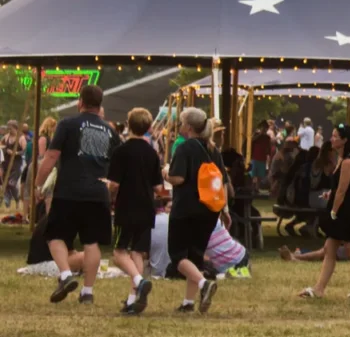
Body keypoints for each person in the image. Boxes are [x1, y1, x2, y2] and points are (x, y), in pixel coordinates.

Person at [34, 85, 122, 305]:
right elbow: (116, 166)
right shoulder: (110, 131)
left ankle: (65, 275)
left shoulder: (67, 124)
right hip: (97, 192)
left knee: (54, 235)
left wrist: (38, 185)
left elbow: (52, 156)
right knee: (91, 242)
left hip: (69, 191)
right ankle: (88, 292)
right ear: (100, 105)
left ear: (80, 102)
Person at [163, 108, 226, 313]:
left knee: (178, 256)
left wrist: (165, 173)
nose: (180, 127)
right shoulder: (213, 149)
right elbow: (222, 180)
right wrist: (224, 209)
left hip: (186, 208)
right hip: (209, 209)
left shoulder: (184, 147)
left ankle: (203, 284)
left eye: (182, 123)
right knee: (195, 256)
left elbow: (178, 178)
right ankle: (188, 303)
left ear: (189, 127)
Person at [299, 124, 350, 300]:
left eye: (336, 136)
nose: (332, 139)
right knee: (330, 249)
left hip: (346, 214)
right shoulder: (340, 160)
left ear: (345, 140)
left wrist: (333, 212)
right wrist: (331, 194)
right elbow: (339, 189)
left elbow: (343, 192)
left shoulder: (348, 162)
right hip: (341, 212)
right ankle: (319, 288)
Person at [105, 107, 163, 315]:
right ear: (148, 127)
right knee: (137, 252)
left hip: (126, 207)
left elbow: (114, 185)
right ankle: (133, 300)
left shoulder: (121, 151)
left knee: (119, 253)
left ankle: (139, 281)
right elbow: (158, 187)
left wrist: (106, 186)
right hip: (146, 207)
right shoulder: (152, 153)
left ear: (129, 125)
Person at [249, 120, 274, 193]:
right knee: (253, 173)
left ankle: (257, 187)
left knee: (260, 174)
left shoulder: (267, 137)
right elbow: (252, 141)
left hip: (262, 157)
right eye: (263, 127)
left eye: (266, 128)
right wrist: (260, 134)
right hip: (255, 156)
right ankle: (252, 187)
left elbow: (268, 148)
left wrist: (269, 156)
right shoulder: (256, 134)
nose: (264, 129)